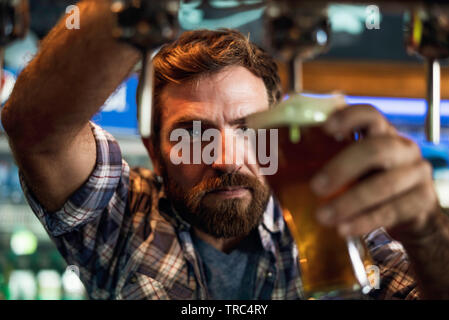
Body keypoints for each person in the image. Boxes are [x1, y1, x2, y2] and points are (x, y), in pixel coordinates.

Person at [1, 0, 448, 300]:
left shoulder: (342, 221)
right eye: (193, 134)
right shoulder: (122, 218)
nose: (226, 158)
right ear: (157, 153)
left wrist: (428, 233)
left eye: (250, 129)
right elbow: (36, 129)